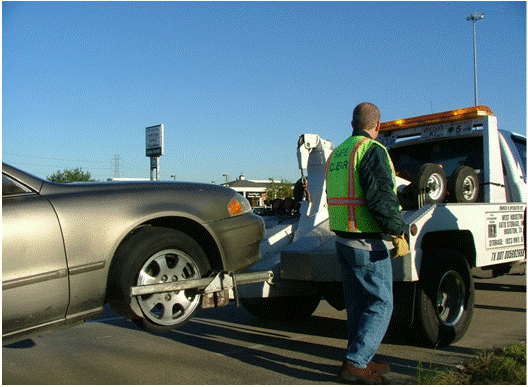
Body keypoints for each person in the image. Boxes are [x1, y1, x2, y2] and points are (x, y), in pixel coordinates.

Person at [325, 102, 409, 384]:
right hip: (366, 242)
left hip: (343, 239)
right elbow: (381, 198)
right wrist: (397, 232)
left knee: (358, 305)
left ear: (352, 124)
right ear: (378, 126)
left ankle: (362, 355)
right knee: (382, 302)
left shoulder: (340, 152)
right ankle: (356, 363)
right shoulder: (372, 150)